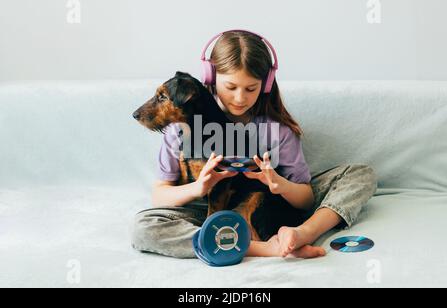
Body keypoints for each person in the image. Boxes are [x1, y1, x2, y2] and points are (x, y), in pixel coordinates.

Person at [132, 30, 377, 259]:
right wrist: (198, 187)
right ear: (211, 77)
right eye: (231, 87)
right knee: (142, 229)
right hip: (199, 213)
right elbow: (159, 195)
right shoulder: (179, 127)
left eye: (251, 88)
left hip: (265, 205)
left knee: (360, 174)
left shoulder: (277, 131)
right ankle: (259, 248)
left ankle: (302, 234)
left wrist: (279, 184)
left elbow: (305, 199)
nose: (240, 98)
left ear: (266, 84)